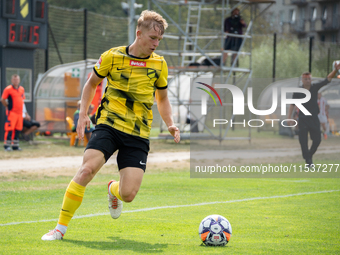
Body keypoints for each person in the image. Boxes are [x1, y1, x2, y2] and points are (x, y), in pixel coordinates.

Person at [41, 10, 180, 241]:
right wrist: (83, 114)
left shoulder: (159, 65)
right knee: (86, 170)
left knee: (129, 194)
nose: (156, 44)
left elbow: (162, 98)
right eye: (152, 38)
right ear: (139, 33)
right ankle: (59, 229)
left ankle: (113, 189)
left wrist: (171, 123)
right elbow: (91, 84)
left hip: (138, 132)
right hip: (109, 124)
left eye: (159, 40)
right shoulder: (111, 56)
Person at [288, 64, 340, 167]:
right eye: (305, 79)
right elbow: (292, 105)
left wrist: (335, 70)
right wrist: (289, 117)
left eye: (309, 79)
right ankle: (309, 161)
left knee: (317, 140)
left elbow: (327, 80)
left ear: (311, 80)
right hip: (302, 118)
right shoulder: (298, 92)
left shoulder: (315, 87)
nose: (307, 80)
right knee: (303, 141)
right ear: (302, 80)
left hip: (313, 118)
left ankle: (308, 156)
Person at [1, 74, 25, 151]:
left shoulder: (21, 89)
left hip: (19, 113)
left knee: (18, 130)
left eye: (17, 79)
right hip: (12, 113)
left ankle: (15, 146)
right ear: (11, 80)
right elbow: (2, 99)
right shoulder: (8, 89)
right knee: (9, 129)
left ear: (19, 80)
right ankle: (7, 146)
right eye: (14, 80)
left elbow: (22, 100)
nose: (16, 81)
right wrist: (8, 106)